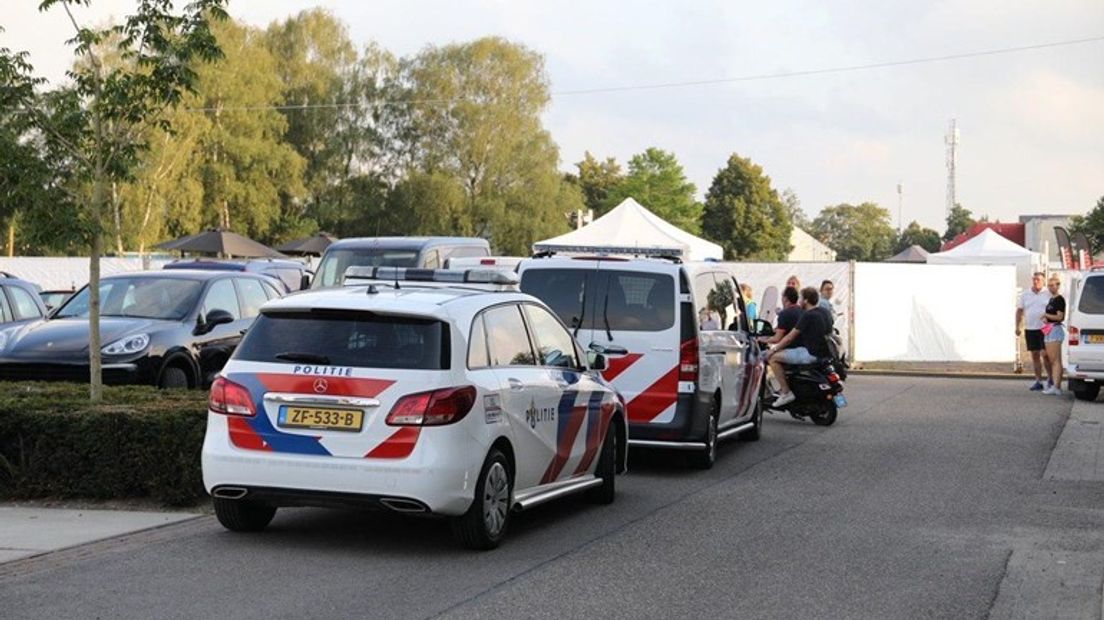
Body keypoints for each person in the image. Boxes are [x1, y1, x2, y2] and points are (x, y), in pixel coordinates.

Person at [767, 287, 832, 407]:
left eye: (801, 298)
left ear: (806, 300)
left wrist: (774, 349)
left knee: (773, 358)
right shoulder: (825, 312)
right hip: (825, 354)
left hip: (811, 353)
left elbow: (789, 337)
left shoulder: (808, 315)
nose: (799, 301)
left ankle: (786, 392)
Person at [1015, 272, 1053, 391]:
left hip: (1045, 329)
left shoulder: (1048, 294)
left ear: (1043, 281)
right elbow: (1019, 311)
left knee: (1045, 355)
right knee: (1035, 355)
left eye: (1038, 279)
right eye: (1034, 279)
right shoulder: (1026, 294)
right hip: (1030, 328)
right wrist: (1017, 326)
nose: (1036, 281)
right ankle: (1038, 381)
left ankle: (1051, 379)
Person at [1041, 275, 1066, 396]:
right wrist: (1046, 319)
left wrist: (1047, 315)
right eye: (1049, 285)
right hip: (1049, 328)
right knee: (1049, 358)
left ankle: (1056, 386)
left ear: (1058, 285)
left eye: (1053, 285)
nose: (1051, 287)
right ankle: (1054, 384)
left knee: (1055, 360)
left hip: (1055, 329)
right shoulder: (1051, 299)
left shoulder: (1059, 299)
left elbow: (1060, 317)